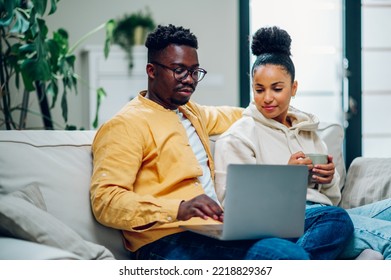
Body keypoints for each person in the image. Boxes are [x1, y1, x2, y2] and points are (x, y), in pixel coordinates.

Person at [90, 24, 351, 260]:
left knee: (334, 222)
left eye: (195, 71)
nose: (189, 79)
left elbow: (249, 113)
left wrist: (288, 115)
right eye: (179, 70)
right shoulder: (125, 124)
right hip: (165, 239)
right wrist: (179, 208)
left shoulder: (193, 113)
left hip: (217, 229)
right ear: (151, 70)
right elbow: (105, 200)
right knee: (285, 255)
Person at [214, 25, 391, 260]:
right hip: (285, 225)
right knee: (353, 225)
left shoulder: (309, 132)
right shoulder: (238, 137)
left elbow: (333, 200)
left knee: (340, 216)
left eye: (277, 89)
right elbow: (235, 210)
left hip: (326, 217)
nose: (267, 98)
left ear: (293, 88)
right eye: (259, 89)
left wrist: (328, 179)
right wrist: (286, 178)